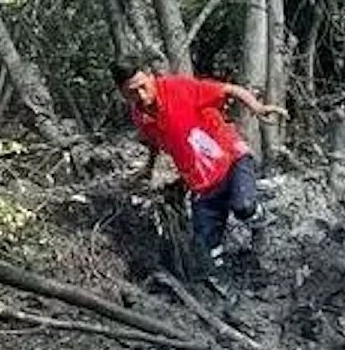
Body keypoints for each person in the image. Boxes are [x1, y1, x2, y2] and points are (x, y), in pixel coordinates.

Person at [112, 56, 285, 273]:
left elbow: (228, 89)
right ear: (123, 93)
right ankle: (224, 286)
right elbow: (153, 142)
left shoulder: (179, 88)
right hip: (201, 182)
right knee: (205, 250)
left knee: (244, 207)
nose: (141, 95)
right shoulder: (140, 115)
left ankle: (261, 226)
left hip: (231, 159)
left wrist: (257, 107)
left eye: (143, 87)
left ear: (150, 77)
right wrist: (149, 168)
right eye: (132, 92)